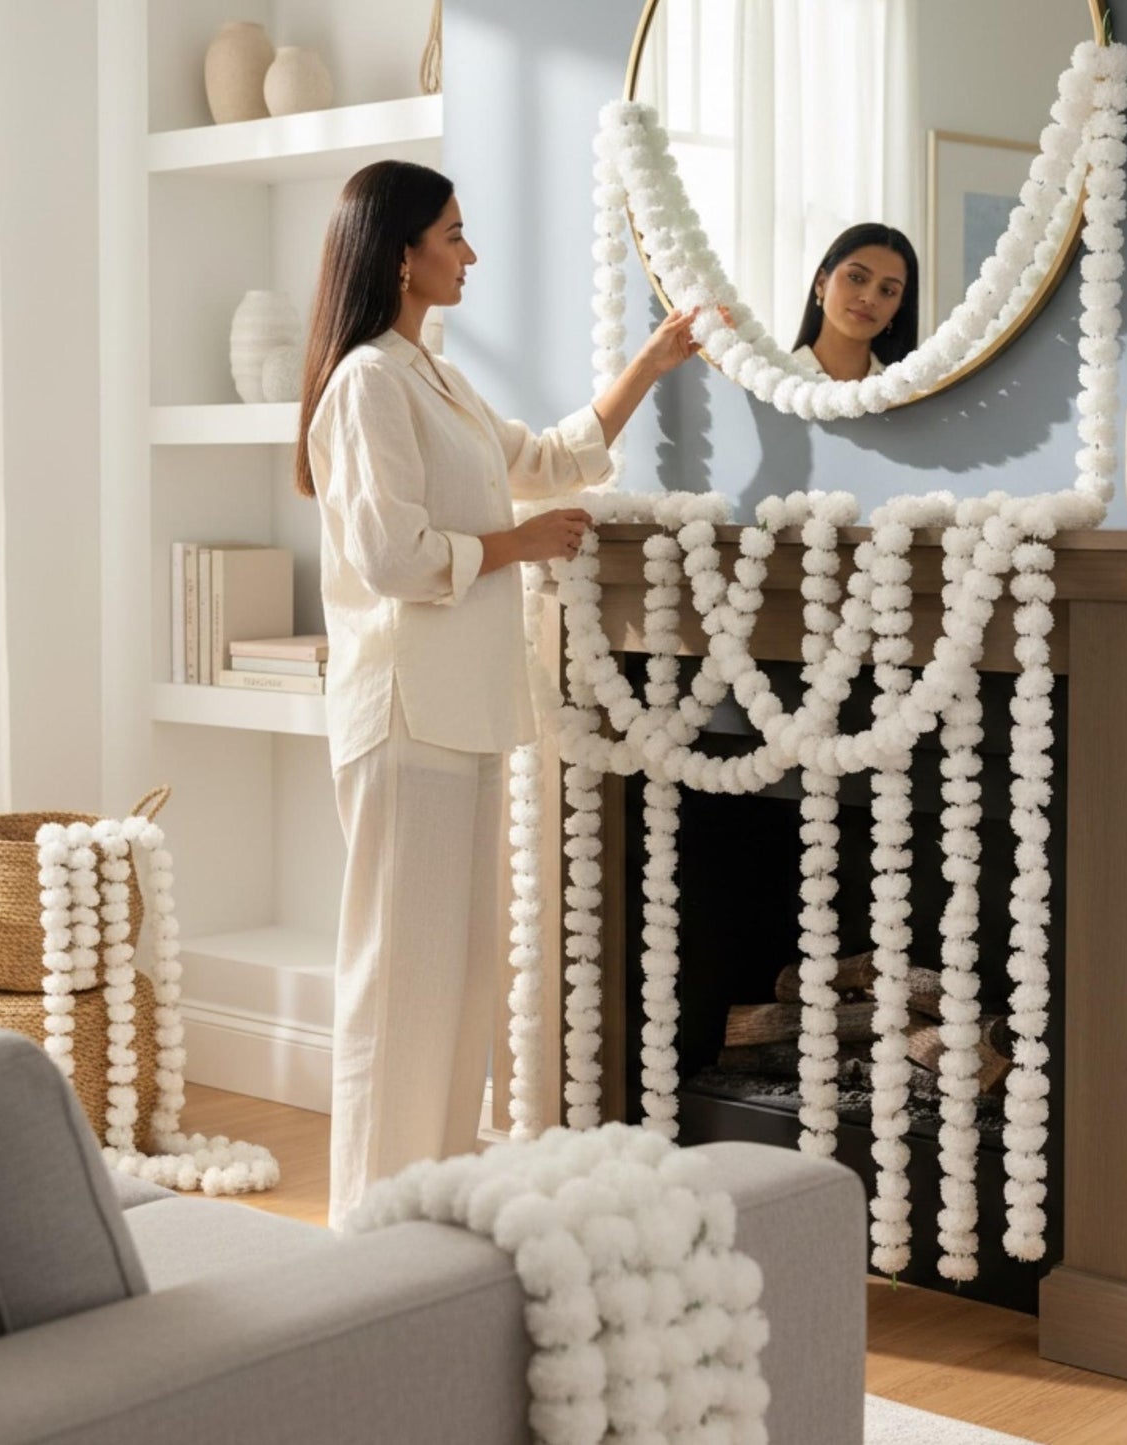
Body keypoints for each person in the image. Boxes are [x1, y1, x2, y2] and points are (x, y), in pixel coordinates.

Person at [294, 159, 704, 1228]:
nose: (469, 253)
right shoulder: (367, 382)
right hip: (401, 712)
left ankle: (423, 1216)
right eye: (454, 235)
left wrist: (655, 359)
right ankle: (363, 1232)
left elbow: (550, 454)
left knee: (454, 986)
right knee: (397, 988)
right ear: (400, 254)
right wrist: (515, 543)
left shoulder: (432, 375)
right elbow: (390, 553)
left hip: (461, 712)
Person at [791, 222, 920, 381]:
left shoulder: (905, 394)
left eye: (887, 291)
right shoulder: (778, 384)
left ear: (899, 306)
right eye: (856, 278)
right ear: (821, 283)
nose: (870, 298)